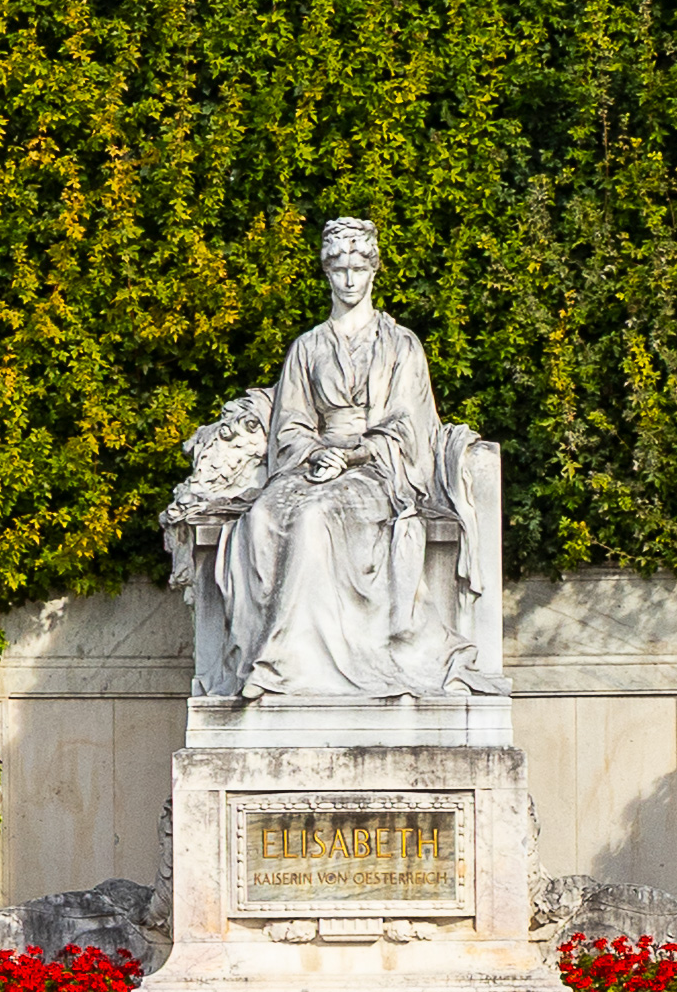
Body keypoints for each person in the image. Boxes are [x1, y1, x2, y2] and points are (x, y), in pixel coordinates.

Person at [212, 217, 495, 697]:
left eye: (358, 269)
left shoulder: (402, 345)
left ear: (373, 271)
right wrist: (317, 455)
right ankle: (272, 658)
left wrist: (351, 456)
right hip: (312, 465)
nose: (349, 280)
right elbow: (290, 426)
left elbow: (408, 426)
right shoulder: (307, 347)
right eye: (339, 269)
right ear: (326, 272)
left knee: (315, 519)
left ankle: (281, 665)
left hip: (377, 469)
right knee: (260, 518)